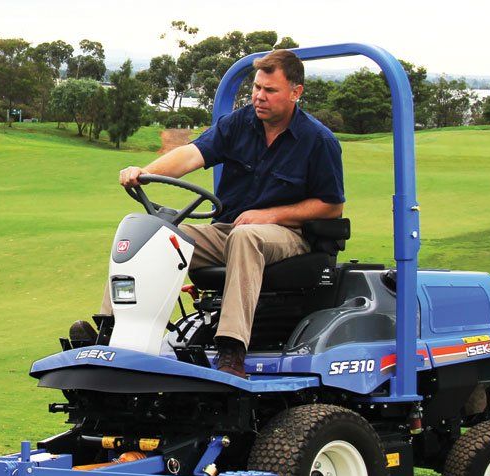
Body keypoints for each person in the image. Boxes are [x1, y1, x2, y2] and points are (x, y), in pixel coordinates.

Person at [71, 49, 345, 377]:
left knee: (246, 236)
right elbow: (190, 155)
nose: (259, 97)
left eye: (270, 91)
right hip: (229, 228)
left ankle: (231, 350)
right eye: (257, 88)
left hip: (289, 235)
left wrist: (269, 215)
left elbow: (331, 205)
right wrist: (143, 172)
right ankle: (109, 333)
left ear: (295, 92)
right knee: (156, 235)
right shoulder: (240, 124)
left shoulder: (318, 141)